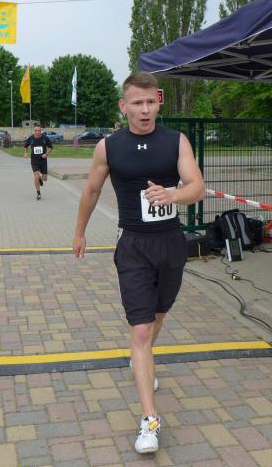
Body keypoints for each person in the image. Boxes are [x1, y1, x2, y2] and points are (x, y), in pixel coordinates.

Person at [72, 71, 205, 454]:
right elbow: (91, 190)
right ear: (124, 106)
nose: (144, 110)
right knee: (142, 330)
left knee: (158, 316)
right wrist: (79, 232)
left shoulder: (176, 141)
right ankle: (150, 420)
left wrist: (173, 195)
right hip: (132, 246)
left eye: (150, 102)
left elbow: (196, 187)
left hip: (171, 244)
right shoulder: (109, 147)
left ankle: (140, 359)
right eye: (137, 103)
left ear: (158, 101)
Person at [23, 125, 53, 201]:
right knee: (36, 177)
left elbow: (51, 148)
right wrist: (25, 153)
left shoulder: (45, 138)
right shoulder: (31, 138)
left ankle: (40, 178)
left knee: (45, 179)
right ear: (34, 131)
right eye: (36, 130)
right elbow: (25, 146)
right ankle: (38, 193)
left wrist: (46, 154)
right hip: (34, 160)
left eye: (39, 130)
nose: (37, 132)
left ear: (41, 131)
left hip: (43, 160)